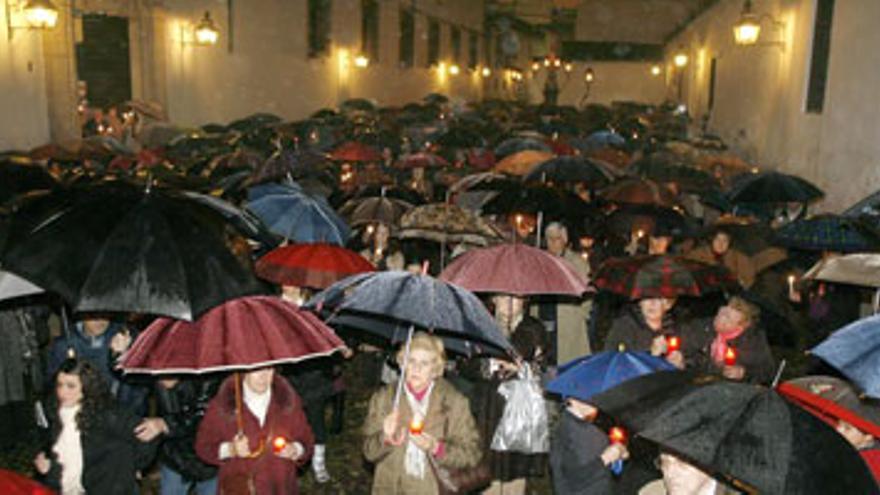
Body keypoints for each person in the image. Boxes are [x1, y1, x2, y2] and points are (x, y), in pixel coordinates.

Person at [363, 332, 482, 494]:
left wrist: (436, 447)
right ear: (402, 364)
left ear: (435, 369)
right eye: (411, 361)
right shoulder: (385, 398)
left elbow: (471, 454)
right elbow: (369, 452)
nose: (416, 368)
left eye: (424, 363)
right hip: (390, 487)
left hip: (432, 489)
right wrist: (385, 437)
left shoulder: (454, 402)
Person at [33, 358, 157, 494]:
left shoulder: (107, 413)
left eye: (71, 386)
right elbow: (63, 458)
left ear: (87, 387)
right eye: (60, 385)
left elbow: (149, 434)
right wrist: (48, 469)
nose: (62, 392)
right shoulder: (57, 413)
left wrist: (134, 467)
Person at [195, 367, 314, 495]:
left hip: (280, 487)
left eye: (269, 369)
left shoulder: (287, 401)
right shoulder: (224, 405)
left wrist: (295, 449)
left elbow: (306, 439)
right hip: (241, 488)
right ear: (243, 371)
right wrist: (230, 449)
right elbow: (203, 446)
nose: (263, 376)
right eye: (256, 370)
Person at [137, 377, 220, 495]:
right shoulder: (157, 376)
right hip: (174, 456)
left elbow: (205, 417)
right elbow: (124, 374)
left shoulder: (210, 378)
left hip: (209, 457)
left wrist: (165, 424)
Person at [47, 315, 146, 414]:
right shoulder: (64, 345)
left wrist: (123, 357)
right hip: (81, 415)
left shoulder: (126, 337)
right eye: (93, 315)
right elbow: (53, 387)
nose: (99, 320)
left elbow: (141, 385)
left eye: (104, 313)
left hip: (122, 414)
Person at [537, 222, 593, 365]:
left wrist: (582, 315)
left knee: (567, 362)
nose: (553, 243)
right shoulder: (540, 260)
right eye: (549, 239)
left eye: (557, 239)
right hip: (544, 317)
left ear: (565, 240)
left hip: (568, 321)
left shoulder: (577, 263)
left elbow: (588, 293)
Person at [687, 297, 776, 384]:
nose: (719, 318)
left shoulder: (752, 341)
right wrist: (683, 359)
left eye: (727, 318)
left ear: (740, 326)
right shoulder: (702, 327)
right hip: (698, 383)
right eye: (721, 312)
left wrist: (744, 373)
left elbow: (768, 371)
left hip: (733, 391)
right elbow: (686, 348)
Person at [550, 398, 628, 494]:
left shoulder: (591, 423)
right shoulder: (566, 431)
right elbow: (572, 479)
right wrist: (605, 458)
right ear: (573, 400)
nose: (596, 403)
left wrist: (620, 453)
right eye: (590, 399)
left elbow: (605, 457)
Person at [604, 298, 686, 369]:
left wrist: (681, 365)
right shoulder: (624, 327)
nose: (652, 303)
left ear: (668, 304)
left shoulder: (678, 327)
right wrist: (651, 355)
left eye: (657, 298)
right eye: (647, 298)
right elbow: (613, 364)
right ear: (640, 302)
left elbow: (695, 364)